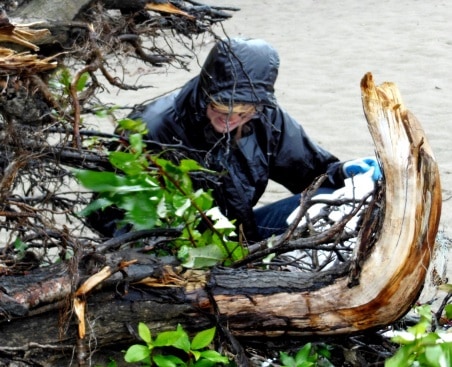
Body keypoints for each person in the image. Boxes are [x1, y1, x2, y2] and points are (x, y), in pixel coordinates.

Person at [125, 37, 381, 242]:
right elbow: (111, 215)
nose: (230, 120)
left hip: (242, 235)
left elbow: (313, 175)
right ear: (206, 92)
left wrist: (346, 171)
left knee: (337, 198)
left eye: (243, 112)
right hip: (183, 242)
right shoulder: (153, 127)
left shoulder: (266, 119)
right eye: (222, 107)